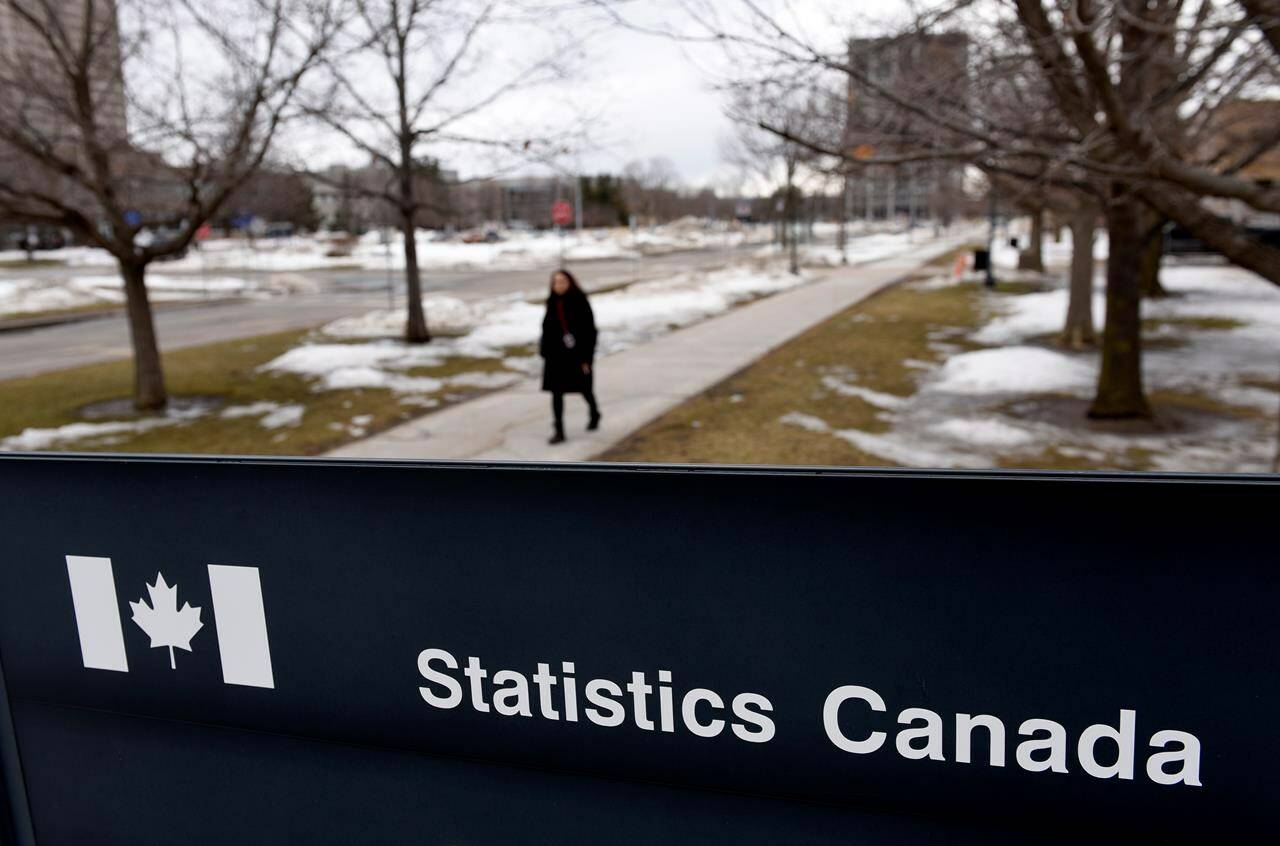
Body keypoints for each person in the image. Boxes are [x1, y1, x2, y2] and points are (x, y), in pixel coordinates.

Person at [540, 269, 601, 444]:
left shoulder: (580, 301)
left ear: (570, 283)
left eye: (562, 282)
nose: (558, 285)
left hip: (576, 357)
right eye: (555, 282)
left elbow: (590, 332)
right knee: (556, 394)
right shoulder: (551, 302)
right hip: (555, 358)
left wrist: (586, 359)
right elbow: (546, 330)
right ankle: (559, 430)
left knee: (585, 390)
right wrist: (544, 351)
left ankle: (594, 412)